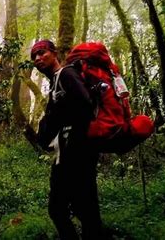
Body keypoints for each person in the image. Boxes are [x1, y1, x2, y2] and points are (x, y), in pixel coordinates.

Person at [31, 39, 102, 239]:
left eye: (42, 52)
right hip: (67, 153)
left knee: (74, 208)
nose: (37, 58)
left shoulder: (67, 74)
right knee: (71, 208)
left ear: (54, 53)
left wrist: (74, 141)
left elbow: (86, 106)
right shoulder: (55, 82)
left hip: (77, 153)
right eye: (34, 56)